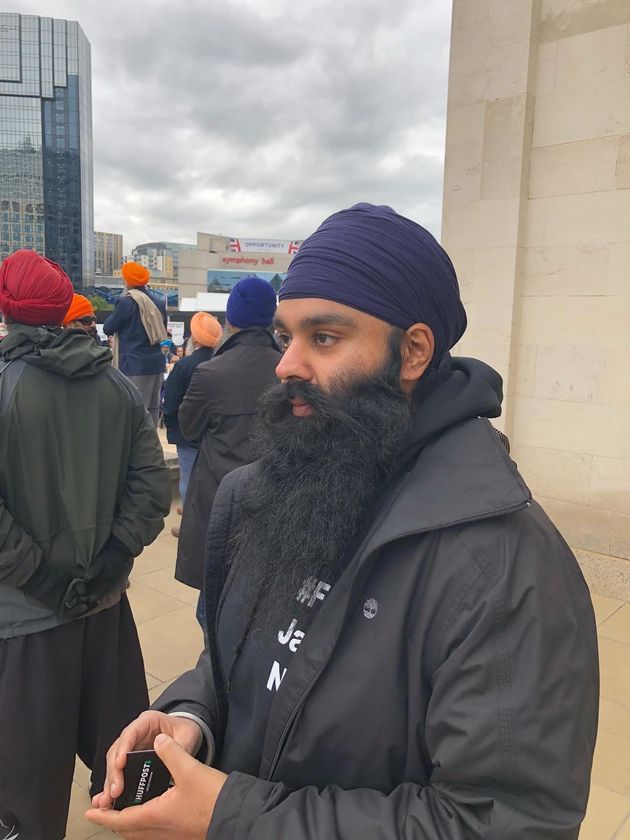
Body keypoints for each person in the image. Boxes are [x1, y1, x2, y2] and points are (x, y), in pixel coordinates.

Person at [88, 205, 598, 840]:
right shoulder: (273, 491)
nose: (287, 365)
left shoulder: (503, 570)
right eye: (284, 337)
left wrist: (232, 817)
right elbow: (247, 662)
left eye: (323, 338)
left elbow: (503, 824)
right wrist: (191, 715)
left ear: (413, 351)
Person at [0, 250, 172, 840]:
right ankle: (147, 821)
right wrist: (114, 559)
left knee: (25, 779)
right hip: (104, 605)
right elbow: (152, 485)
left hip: (23, 621)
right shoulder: (117, 386)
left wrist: (41, 578)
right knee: (124, 748)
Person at [174, 277, 279, 599]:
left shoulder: (210, 372)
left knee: (213, 598)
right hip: (275, 497)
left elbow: (188, 430)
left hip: (219, 497)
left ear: (231, 321)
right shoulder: (289, 368)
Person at [162, 311, 222, 538]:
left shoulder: (185, 365)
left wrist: (172, 426)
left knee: (188, 479)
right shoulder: (222, 362)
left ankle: (189, 525)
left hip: (187, 433)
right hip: (214, 433)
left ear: (195, 339)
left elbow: (171, 402)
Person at [103, 261, 167, 425]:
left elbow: (108, 328)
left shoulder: (127, 302)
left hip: (133, 365)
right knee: (152, 411)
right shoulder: (158, 303)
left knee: (134, 414)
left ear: (128, 280)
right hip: (156, 364)